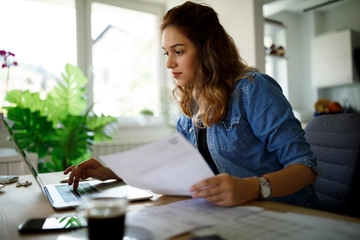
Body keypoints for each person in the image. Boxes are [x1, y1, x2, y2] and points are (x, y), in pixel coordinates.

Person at [64, 1, 320, 208]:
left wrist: (251, 187)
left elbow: (305, 168)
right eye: (167, 53)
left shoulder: (253, 89)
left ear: (208, 50)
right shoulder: (191, 104)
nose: (169, 63)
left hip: (287, 211)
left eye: (179, 51)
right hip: (240, 216)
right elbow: (176, 164)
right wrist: (110, 171)